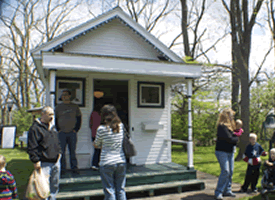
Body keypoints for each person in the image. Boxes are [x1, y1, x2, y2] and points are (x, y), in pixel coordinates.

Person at [27, 106, 62, 200]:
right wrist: (35, 160)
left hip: (56, 161)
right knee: (43, 187)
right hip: (44, 162)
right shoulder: (35, 128)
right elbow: (32, 146)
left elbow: (57, 141)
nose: (52, 117)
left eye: (53, 114)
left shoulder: (53, 127)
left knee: (54, 186)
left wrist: (59, 152)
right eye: (50, 114)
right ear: (43, 114)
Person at [93, 104, 127, 200]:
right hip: (121, 161)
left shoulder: (101, 129)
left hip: (107, 162)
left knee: (109, 190)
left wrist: (95, 143)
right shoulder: (120, 126)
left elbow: (97, 145)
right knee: (120, 189)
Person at [55, 89, 82, 173]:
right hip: (62, 133)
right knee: (61, 152)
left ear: (69, 96)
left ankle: (74, 168)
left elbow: (79, 118)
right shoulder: (58, 107)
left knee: (72, 151)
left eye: (66, 95)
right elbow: (55, 119)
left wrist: (76, 129)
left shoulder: (75, 107)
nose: (64, 96)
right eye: (63, 95)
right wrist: (58, 129)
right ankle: (63, 169)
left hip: (72, 133)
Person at [214, 108, 239, 200]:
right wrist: (236, 138)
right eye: (231, 115)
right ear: (226, 115)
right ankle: (218, 192)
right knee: (225, 171)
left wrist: (235, 138)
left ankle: (227, 190)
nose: (232, 117)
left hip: (230, 151)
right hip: (222, 151)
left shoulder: (231, 127)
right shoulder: (222, 126)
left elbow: (233, 138)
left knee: (230, 171)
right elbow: (230, 139)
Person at [89, 103, 102, 170]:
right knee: (101, 150)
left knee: (96, 150)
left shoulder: (93, 114)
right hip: (101, 134)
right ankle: (99, 163)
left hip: (94, 134)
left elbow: (90, 124)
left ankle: (94, 164)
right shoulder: (102, 115)